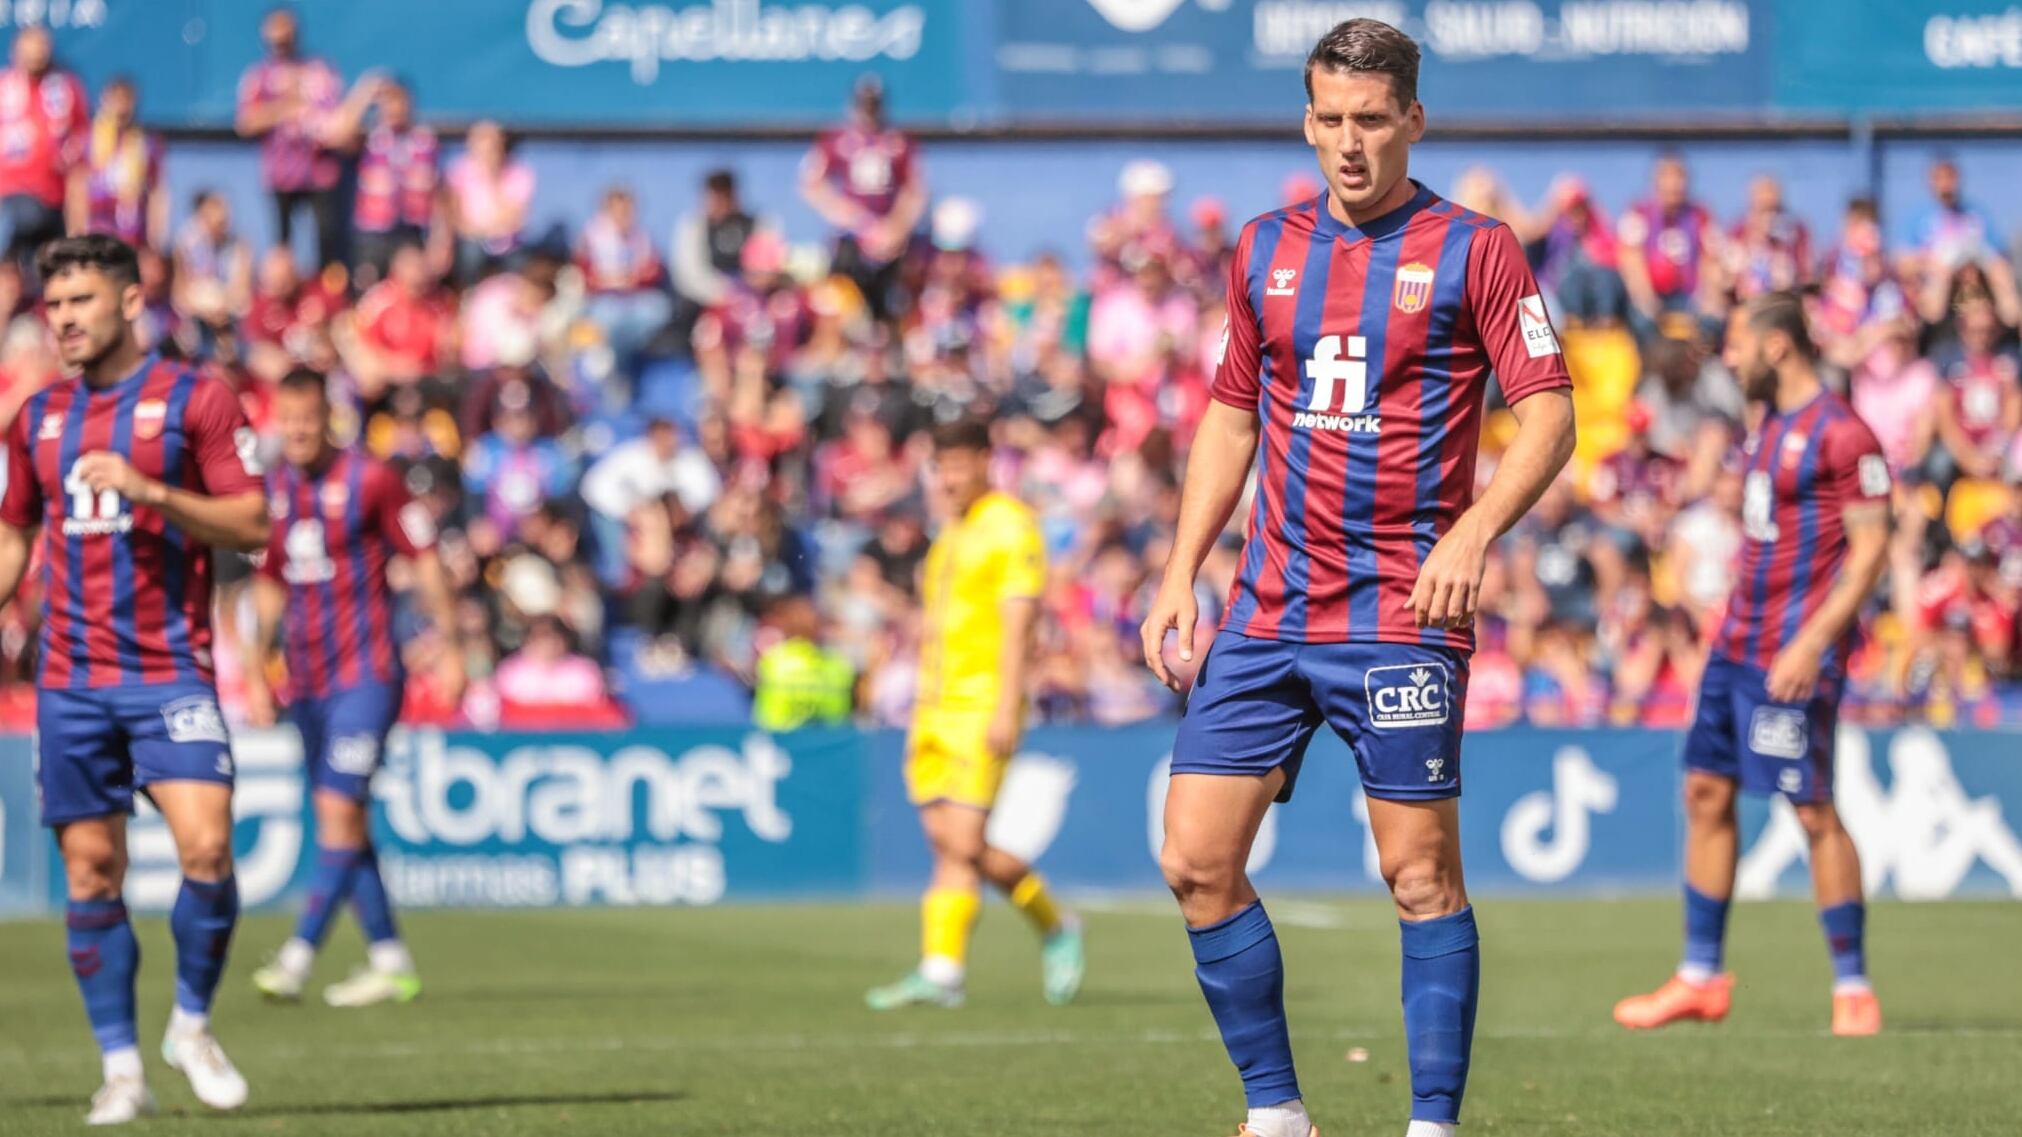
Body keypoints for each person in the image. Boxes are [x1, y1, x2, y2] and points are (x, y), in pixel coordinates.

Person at [1135, 20, 1576, 1137]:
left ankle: (1431, 1126)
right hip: (1268, 611)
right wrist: (1182, 568)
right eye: (1329, 118)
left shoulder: (1477, 249)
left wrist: (1474, 533)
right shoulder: (1261, 249)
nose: (1348, 143)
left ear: (1413, 122)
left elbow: (1552, 416)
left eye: (1371, 120)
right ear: (1306, 119)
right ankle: (1277, 1112)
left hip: (1401, 616)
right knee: (1193, 860)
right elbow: (1232, 417)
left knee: (1418, 876)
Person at [0, 234, 270, 1122]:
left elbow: (252, 521)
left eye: (81, 300)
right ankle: (121, 1066)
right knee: (91, 870)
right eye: (55, 303)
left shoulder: (198, 399)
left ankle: (190, 1023)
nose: (64, 318)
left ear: (127, 301)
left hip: (169, 672)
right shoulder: (35, 418)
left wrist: (152, 494)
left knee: (207, 846)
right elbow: (15, 537)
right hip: (71, 683)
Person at [1614, 292, 1890, 1038]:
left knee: (1811, 808)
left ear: (1776, 347)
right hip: (1734, 647)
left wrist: (1812, 641)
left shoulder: (1843, 432)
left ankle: (1853, 984)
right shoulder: (1765, 428)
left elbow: (1870, 552)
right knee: (1705, 789)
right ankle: (1700, 976)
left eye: (1736, 346)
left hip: (1791, 655)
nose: (1727, 360)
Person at [243, 367, 463, 1007]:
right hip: (305, 681)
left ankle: (297, 956)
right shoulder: (275, 489)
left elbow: (422, 560)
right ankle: (391, 960)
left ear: (328, 418)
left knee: (340, 812)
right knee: (342, 819)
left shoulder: (371, 479)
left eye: (309, 420)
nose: (299, 431)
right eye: (288, 421)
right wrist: (258, 669)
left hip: (365, 673)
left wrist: (449, 646)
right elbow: (267, 583)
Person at [864, 418, 1086, 1011]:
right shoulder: (953, 533)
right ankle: (969, 957)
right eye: (943, 465)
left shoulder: (1011, 525)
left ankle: (1028, 936)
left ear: (987, 461)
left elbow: (1020, 623)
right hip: (933, 706)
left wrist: (1008, 704)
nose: (951, 476)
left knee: (962, 840)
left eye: (961, 463)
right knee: (948, 843)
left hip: (982, 702)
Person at [799, 75, 925, 322]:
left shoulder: (899, 142)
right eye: (864, 104)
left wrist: (895, 227)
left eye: (874, 104)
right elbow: (811, 184)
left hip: (890, 241)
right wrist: (854, 219)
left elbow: (915, 190)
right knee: (842, 303)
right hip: (851, 240)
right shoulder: (835, 140)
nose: (869, 111)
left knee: (895, 304)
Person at [234, 5, 346, 267]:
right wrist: (286, 106)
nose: (281, 43)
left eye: (286, 35)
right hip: (281, 174)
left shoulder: (320, 70)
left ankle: (326, 296)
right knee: (281, 243)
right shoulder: (258, 76)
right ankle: (283, 298)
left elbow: (338, 119)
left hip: (320, 172)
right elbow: (246, 123)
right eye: (275, 38)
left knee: (327, 241)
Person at [0, 27, 87, 270]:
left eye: (41, 46)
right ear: (15, 50)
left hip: (53, 198)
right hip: (9, 196)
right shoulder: (4, 86)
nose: (36, 53)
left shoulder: (66, 88)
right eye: (29, 46)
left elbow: (80, 146)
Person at [76, 76, 167, 252]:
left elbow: (157, 191)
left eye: (126, 100)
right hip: (96, 235)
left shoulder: (147, 143)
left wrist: (155, 237)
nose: (121, 107)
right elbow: (77, 188)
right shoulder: (87, 140)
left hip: (133, 235)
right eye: (116, 100)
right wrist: (76, 233)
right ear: (104, 101)